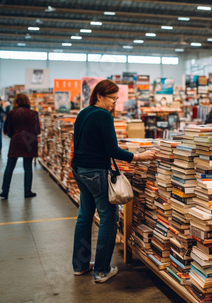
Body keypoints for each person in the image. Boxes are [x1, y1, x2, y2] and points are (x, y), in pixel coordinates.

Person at [71, 79, 155, 283]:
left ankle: (80, 266)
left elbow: (79, 142)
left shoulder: (83, 112)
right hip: (95, 171)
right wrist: (139, 157)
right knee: (109, 217)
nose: (114, 104)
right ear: (99, 95)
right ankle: (101, 270)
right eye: (112, 99)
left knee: (85, 216)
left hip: (79, 168)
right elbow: (113, 150)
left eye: (116, 100)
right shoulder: (103, 116)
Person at [0, 93, 40, 199]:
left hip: (16, 141)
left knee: (10, 167)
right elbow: (37, 130)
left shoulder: (11, 113)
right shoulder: (34, 113)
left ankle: (5, 191)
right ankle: (27, 191)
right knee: (28, 167)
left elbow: (7, 130)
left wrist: (14, 136)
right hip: (29, 142)